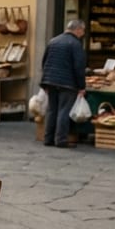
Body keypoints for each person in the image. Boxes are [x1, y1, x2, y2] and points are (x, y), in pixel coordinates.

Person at [40, 19, 88, 148]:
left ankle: (48, 138)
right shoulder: (75, 44)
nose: (82, 34)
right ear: (77, 29)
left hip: (50, 80)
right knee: (64, 111)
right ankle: (61, 140)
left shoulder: (53, 41)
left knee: (52, 110)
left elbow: (44, 62)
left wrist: (45, 82)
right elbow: (79, 67)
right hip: (67, 82)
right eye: (82, 31)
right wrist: (81, 86)